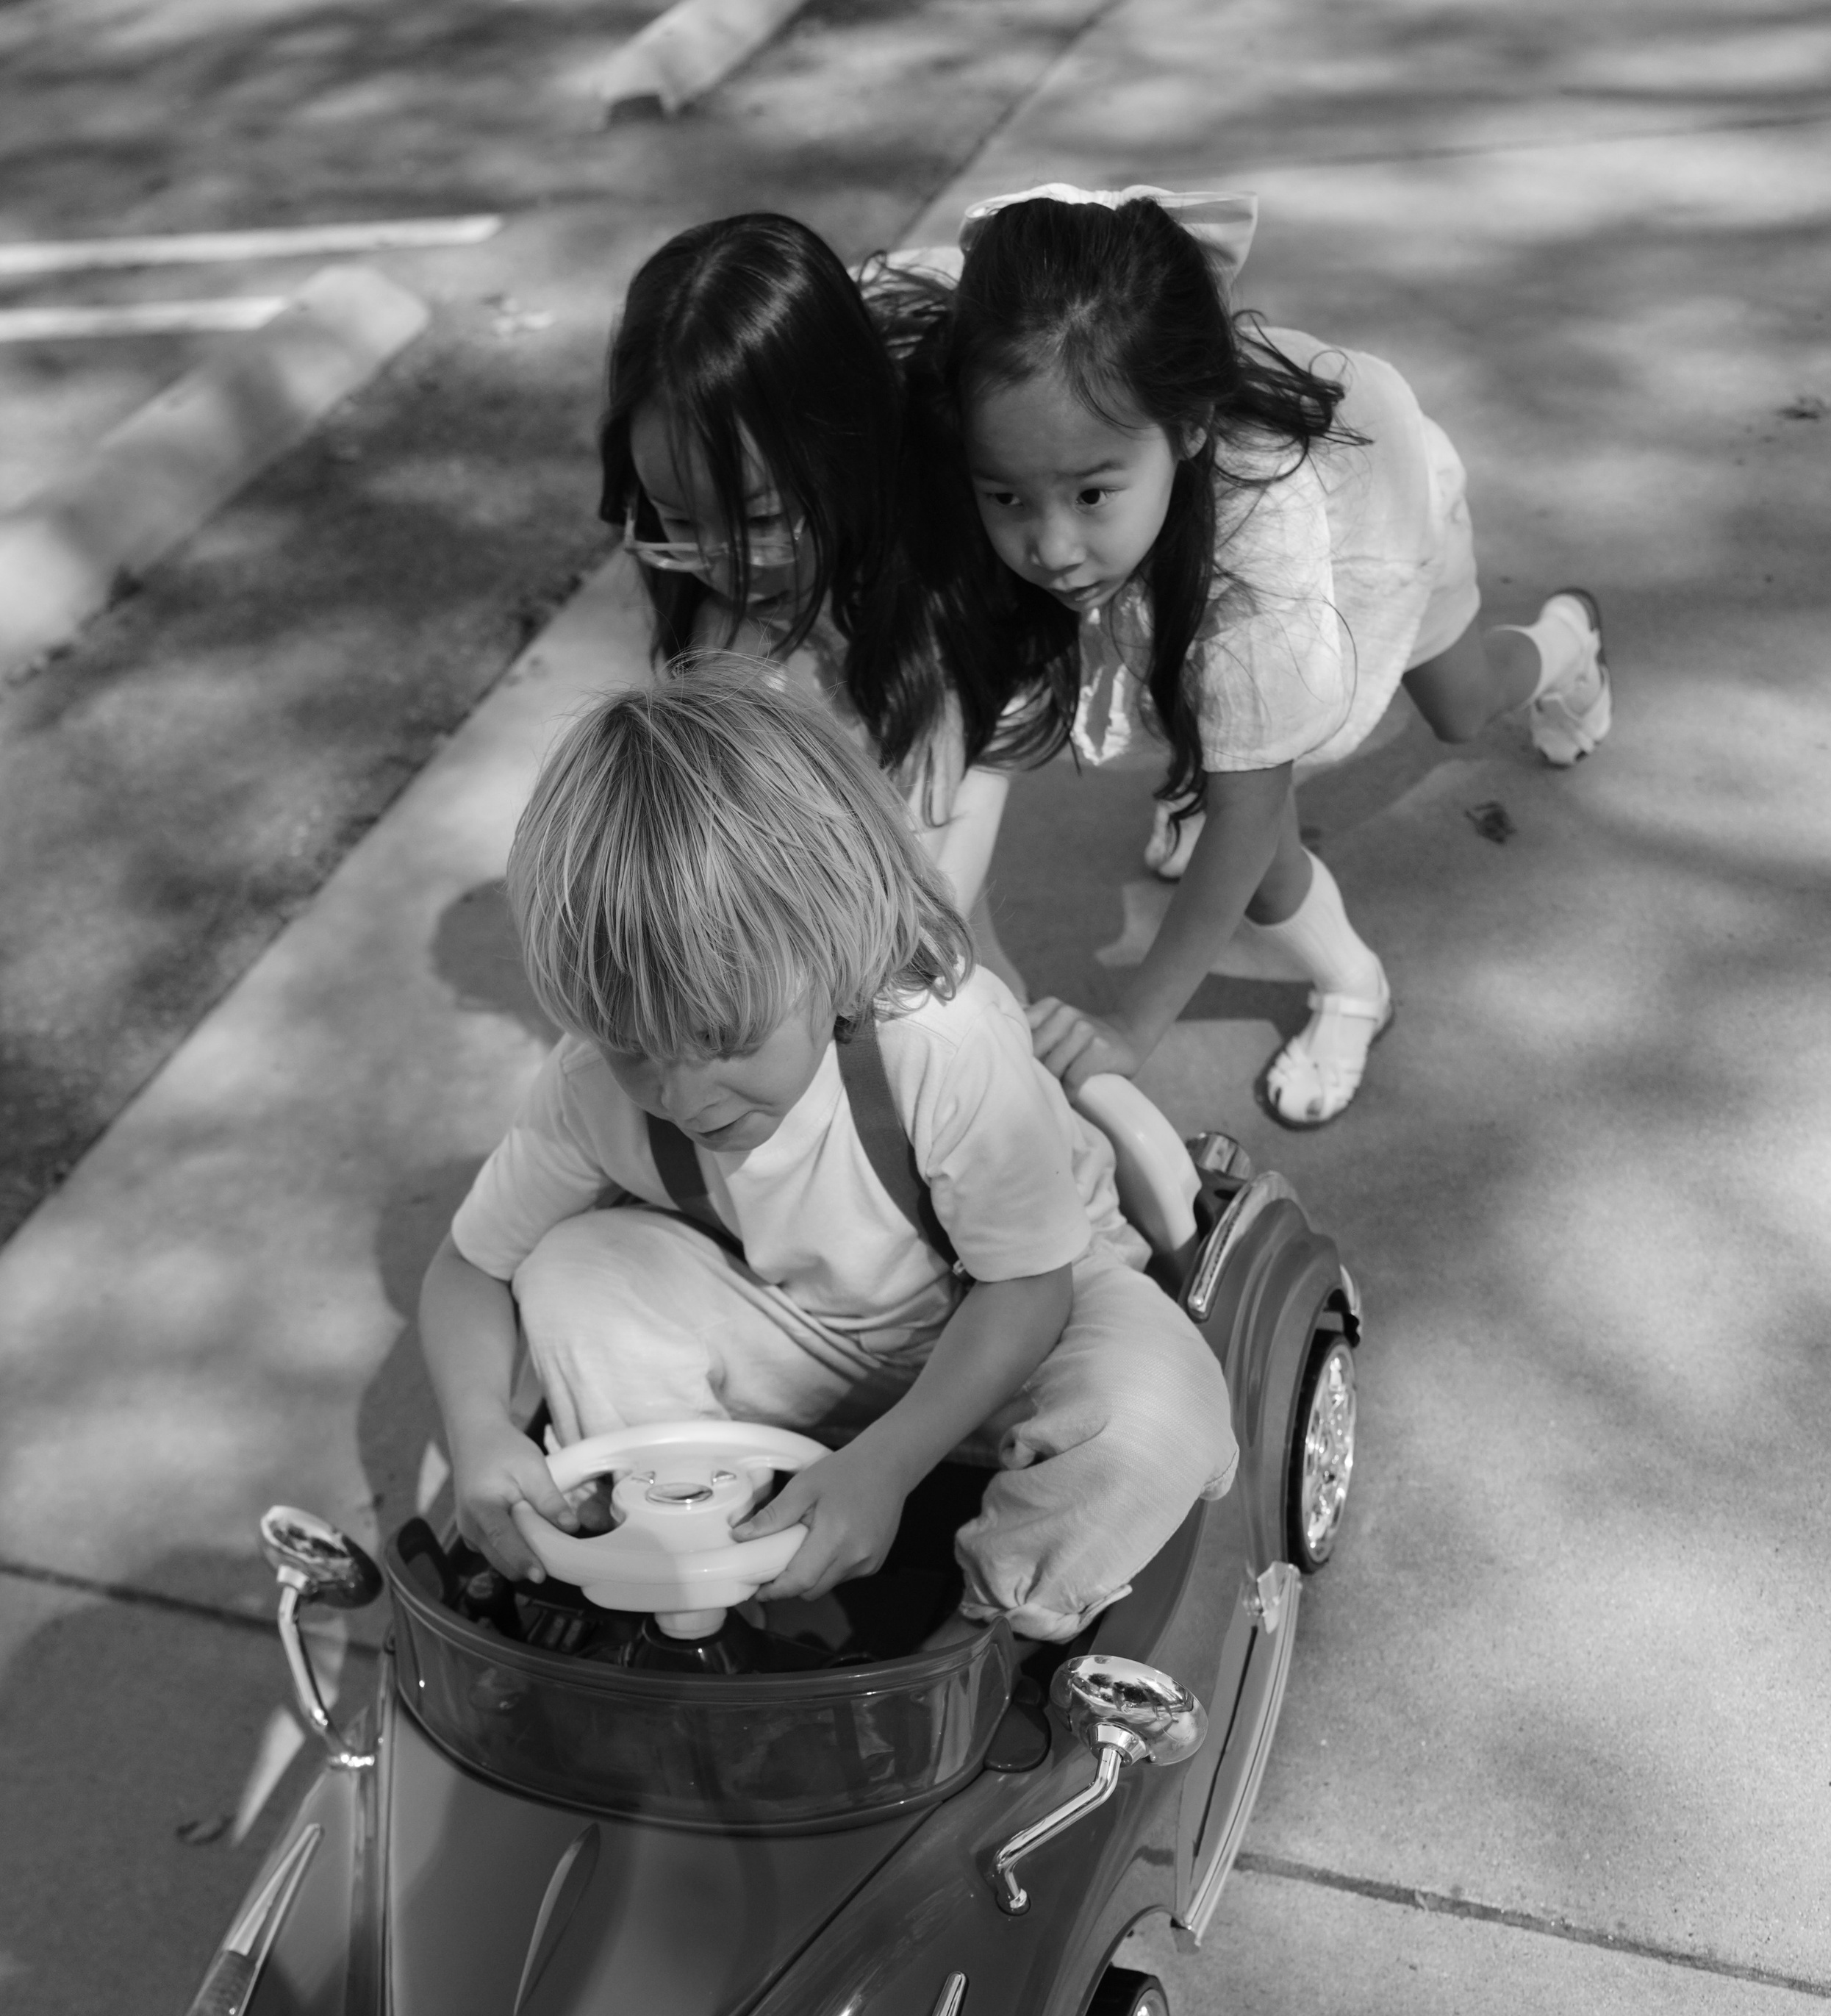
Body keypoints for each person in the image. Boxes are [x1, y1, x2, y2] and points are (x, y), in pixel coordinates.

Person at [417, 662, 1236, 1646]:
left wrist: (887, 1465)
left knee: (1159, 1420)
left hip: (1021, 1316)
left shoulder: (939, 1039)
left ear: (834, 949)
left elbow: (1030, 1289)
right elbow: (469, 1268)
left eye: (724, 1040)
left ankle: (986, 1632)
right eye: (635, 1049)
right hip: (804, 1330)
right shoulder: (591, 1083)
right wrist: (480, 1431)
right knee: (571, 1274)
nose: (682, 1096)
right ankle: (702, 1568)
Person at [921, 182, 1611, 1126]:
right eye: (1003, 495)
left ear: (1191, 427)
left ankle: (1567, 645)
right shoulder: (1014, 362)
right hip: (1209, 559)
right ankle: (1327, 947)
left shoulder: (1257, 563)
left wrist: (1131, 1024)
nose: (1048, 548)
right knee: (1212, 754)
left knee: (1447, 710)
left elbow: (1247, 824)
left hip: (1381, 511)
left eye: (1088, 495)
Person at [596, 211, 1016, 969]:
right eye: (678, 520)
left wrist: (927, 919)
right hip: (855, 934)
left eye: (760, 517)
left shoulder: (948, 543)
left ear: (847, 448)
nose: (727, 570)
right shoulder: (725, 629)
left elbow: (984, 769)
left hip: (928, 903)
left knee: (973, 989)